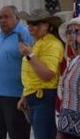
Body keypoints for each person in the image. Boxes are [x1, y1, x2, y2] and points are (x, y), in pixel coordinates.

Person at [0, 5, 33, 139]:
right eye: (0, 17)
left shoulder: (25, 35)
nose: (2, 20)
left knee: (18, 134)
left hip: (14, 96)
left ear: (17, 18)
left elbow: (33, 62)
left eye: (6, 17)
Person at [16, 8, 64, 139]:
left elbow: (48, 74)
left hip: (44, 98)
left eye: (35, 23)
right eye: (29, 23)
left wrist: (29, 55)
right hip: (36, 97)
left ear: (46, 26)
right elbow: (34, 75)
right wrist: (25, 95)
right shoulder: (38, 43)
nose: (30, 26)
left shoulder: (52, 43)